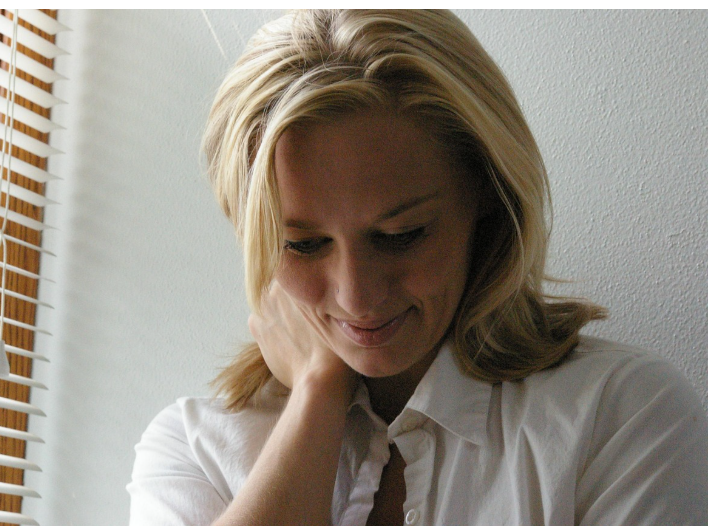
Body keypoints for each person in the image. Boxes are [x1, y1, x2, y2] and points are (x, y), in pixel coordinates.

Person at [127, 10, 706, 525]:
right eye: (302, 245)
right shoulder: (195, 449)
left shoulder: (621, 415)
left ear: (488, 195)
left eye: (401, 236)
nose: (356, 297)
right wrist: (317, 394)